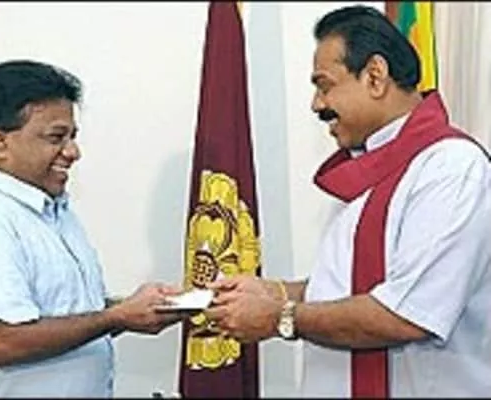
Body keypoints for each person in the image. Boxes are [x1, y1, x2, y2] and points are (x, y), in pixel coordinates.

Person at [205, 5, 491, 398]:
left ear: (375, 76)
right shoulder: (368, 166)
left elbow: (407, 313)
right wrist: (276, 292)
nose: (316, 104)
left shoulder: (451, 169)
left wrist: (280, 318)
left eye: (324, 86)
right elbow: (353, 286)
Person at [0, 60, 184, 398]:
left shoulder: (55, 211)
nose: (73, 152)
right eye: (56, 138)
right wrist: (117, 317)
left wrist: (141, 306)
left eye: (72, 137)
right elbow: (3, 341)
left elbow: (65, 311)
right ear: (0, 142)